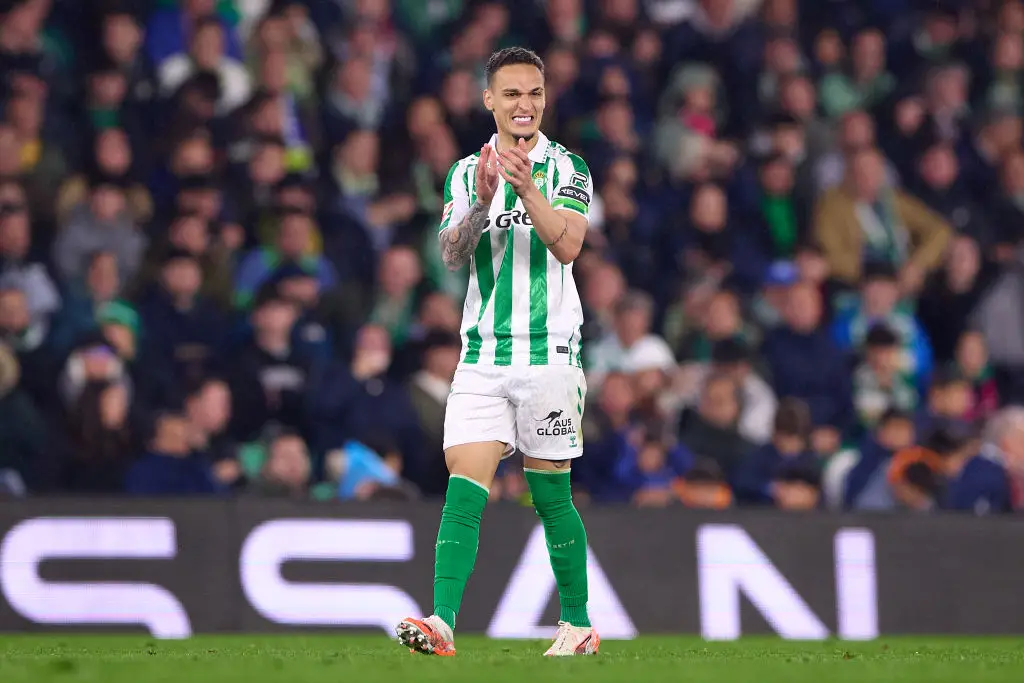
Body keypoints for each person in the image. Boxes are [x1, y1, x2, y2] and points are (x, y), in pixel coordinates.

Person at [395, 47, 599, 658]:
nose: (524, 104)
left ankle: (579, 623)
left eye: (533, 93)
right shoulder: (463, 172)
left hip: (550, 355)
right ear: (489, 100)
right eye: (511, 94)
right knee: (466, 478)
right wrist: (484, 199)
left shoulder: (570, 169)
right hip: (482, 354)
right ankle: (443, 622)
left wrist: (527, 190)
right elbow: (452, 256)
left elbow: (569, 248)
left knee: (550, 494)